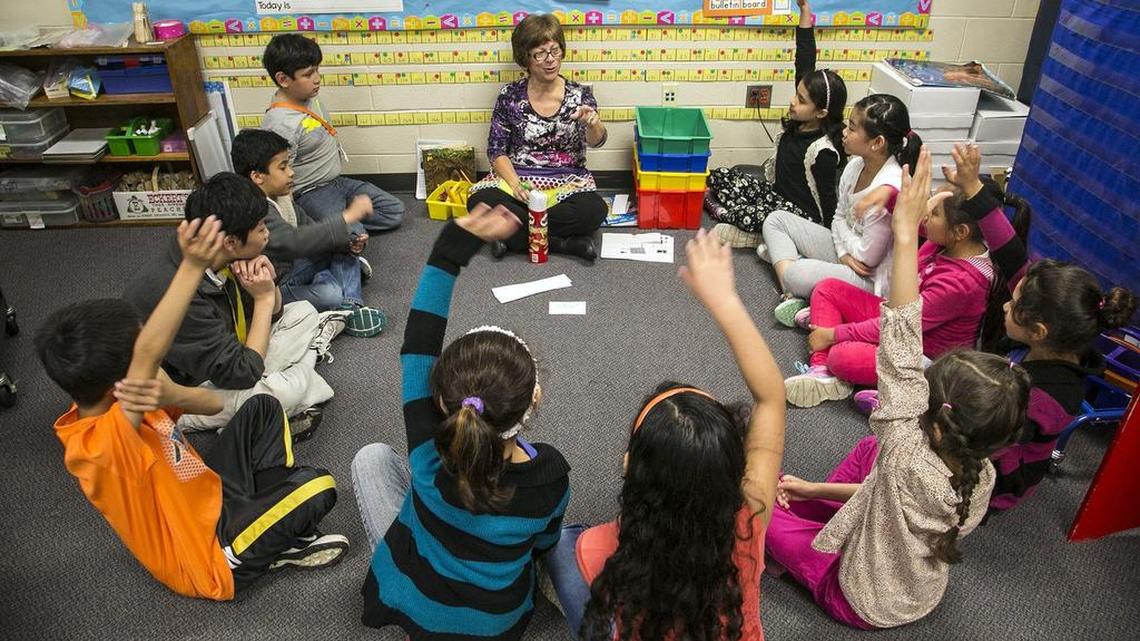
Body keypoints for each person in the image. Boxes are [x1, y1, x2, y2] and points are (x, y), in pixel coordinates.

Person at [764, 147, 1031, 629]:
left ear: (937, 413)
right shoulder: (981, 475)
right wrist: (813, 489)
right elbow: (885, 489)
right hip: (914, 589)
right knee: (872, 449)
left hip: (856, 594)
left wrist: (904, 232)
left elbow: (903, 345)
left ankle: (796, 543)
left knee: (754, 493)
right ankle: (810, 513)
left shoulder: (906, 453)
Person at [36, 216, 347, 601]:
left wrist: (175, 394)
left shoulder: (130, 396)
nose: (155, 352)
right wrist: (191, 267)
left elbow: (212, 403)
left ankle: (270, 523)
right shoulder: (98, 448)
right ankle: (272, 543)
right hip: (210, 555)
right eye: (144, 347)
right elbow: (150, 351)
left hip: (215, 494)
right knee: (318, 486)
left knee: (263, 407)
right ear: (126, 374)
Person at [856, 144, 1138, 512]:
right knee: (885, 443)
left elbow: (979, 445)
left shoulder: (1048, 398)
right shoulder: (1049, 330)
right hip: (979, 426)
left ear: (1038, 330)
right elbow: (1011, 252)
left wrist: (919, 421)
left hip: (989, 480)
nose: (1005, 304)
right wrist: (973, 187)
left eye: (1013, 304)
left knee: (900, 468)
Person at [542, 229, 786, 641]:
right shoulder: (750, 518)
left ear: (631, 467)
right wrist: (725, 302)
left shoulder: (599, 549)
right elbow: (772, 398)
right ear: (733, 470)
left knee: (562, 543)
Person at [352, 204, 571, 640]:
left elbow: (418, 344)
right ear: (535, 398)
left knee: (371, 458)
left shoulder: (428, 456)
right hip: (497, 626)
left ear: (439, 400)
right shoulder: (550, 478)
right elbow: (544, 545)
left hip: (420, 609)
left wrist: (450, 251)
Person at [780, 138, 1027, 408]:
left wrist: (834, 334)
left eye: (933, 213)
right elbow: (911, 218)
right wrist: (886, 195)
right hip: (897, 319)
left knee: (842, 355)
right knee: (827, 288)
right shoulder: (947, 240)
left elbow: (898, 325)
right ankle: (822, 371)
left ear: (960, 232)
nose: (925, 216)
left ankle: (889, 385)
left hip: (919, 353)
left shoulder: (962, 283)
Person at [123, 173, 340, 432]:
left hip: (231, 357)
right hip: (186, 394)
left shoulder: (220, 254)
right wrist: (263, 299)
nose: (267, 233)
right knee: (285, 392)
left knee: (303, 312)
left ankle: (286, 380)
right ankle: (295, 377)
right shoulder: (177, 290)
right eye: (260, 227)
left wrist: (269, 286)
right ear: (231, 242)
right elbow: (242, 373)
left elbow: (273, 317)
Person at [762, 93, 920, 328]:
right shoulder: (855, 165)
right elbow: (837, 218)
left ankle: (800, 280)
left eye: (852, 128)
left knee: (795, 273)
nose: (844, 132)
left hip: (869, 278)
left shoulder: (888, 188)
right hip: (847, 254)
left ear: (877, 143)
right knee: (776, 220)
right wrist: (843, 253)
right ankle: (794, 295)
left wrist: (844, 246)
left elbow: (867, 258)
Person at [466, 13, 608, 262]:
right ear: (526, 59)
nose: (550, 59)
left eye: (555, 50)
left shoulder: (580, 95)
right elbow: (496, 151)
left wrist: (593, 123)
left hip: (566, 184)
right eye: (540, 54)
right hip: (519, 182)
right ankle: (564, 244)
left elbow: (598, 141)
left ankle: (516, 239)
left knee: (594, 210)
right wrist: (515, 185)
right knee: (479, 202)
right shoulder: (510, 95)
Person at [709, 0, 847, 247]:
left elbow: (828, 199)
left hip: (797, 216)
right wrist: (804, 10)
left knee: (745, 216)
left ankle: (762, 235)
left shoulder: (823, 152)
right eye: (796, 94)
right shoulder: (800, 121)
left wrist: (829, 242)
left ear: (821, 112)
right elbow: (804, 58)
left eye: (801, 101)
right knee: (720, 176)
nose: (793, 102)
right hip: (774, 195)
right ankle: (760, 231)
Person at [232, 128, 386, 337]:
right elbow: (292, 242)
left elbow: (310, 228)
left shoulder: (282, 197)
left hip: (293, 264)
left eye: (289, 165)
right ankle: (344, 295)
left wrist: (348, 242)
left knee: (343, 245)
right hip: (275, 282)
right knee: (330, 294)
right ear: (257, 176)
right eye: (283, 167)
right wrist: (347, 217)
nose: (291, 172)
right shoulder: (255, 208)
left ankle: (350, 305)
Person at [261, 33, 405, 239]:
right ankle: (334, 227)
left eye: (317, 70)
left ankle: (336, 223)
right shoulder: (280, 124)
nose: (317, 79)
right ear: (283, 79)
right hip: (310, 192)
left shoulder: (309, 97)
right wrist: (291, 222)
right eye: (308, 74)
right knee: (354, 237)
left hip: (337, 182)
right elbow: (276, 178)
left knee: (394, 211)